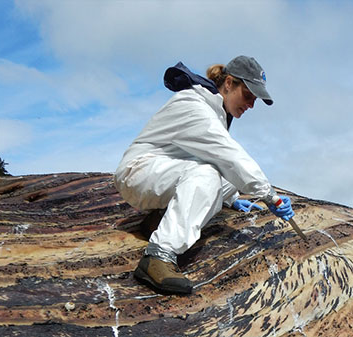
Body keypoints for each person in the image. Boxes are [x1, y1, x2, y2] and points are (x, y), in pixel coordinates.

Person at [114, 55, 295, 294]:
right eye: (248, 95)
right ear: (229, 83)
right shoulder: (193, 104)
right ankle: (157, 256)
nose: (251, 104)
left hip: (163, 172)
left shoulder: (216, 111)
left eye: (255, 100)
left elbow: (225, 165)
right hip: (138, 172)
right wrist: (270, 196)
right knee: (208, 174)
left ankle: (158, 221)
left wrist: (228, 198)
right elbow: (228, 155)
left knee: (225, 180)